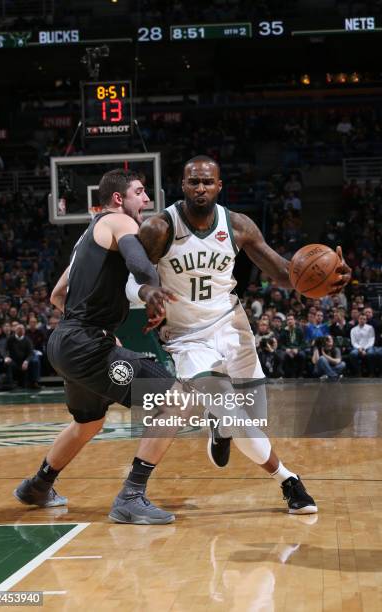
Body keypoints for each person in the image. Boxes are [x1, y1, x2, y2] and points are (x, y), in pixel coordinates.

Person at [127, 155, 351, 514]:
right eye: (193, 182)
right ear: (182, 186)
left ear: (219, 186)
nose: (200, 188)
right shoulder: (159, 227)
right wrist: (147, 294)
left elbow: (281, 271)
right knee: (238, 418)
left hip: (232, 326)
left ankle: (220, 427)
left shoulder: (238, 225)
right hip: (187, 337)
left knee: (253, 417)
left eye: (207, 182)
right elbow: (133, 278)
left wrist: (330, 281)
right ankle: (289, 481)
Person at [13, 168, 181, 525]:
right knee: (177, 399)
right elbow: (139, 265)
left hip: (65, 341)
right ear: (119, 199)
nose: (147, 200)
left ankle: (38, 485)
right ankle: (131, 496)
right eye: (140, 192)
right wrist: (151, 288)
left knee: (88, 423)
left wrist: (99, 328)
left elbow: (59, 295)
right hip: (85, 345)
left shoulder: (86, 239)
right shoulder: (119, 222)